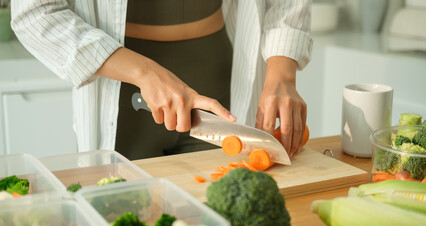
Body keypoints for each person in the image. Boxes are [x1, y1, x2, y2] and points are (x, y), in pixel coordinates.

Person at [10, 0, 312, 160]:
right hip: (123, 94)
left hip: (219, 86)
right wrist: (145, 73)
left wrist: (281, 74)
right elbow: (35, 12)